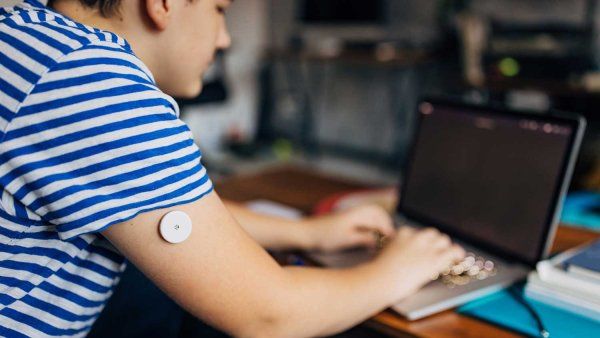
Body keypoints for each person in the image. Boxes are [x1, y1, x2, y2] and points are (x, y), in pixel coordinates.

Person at [0, 0, 465, 337]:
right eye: (220, 10)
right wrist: (398, 269)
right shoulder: (89, 78)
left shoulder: (33, 38)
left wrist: (309, 234)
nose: (224, 39)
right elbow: (266, 314)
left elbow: (167, 212)